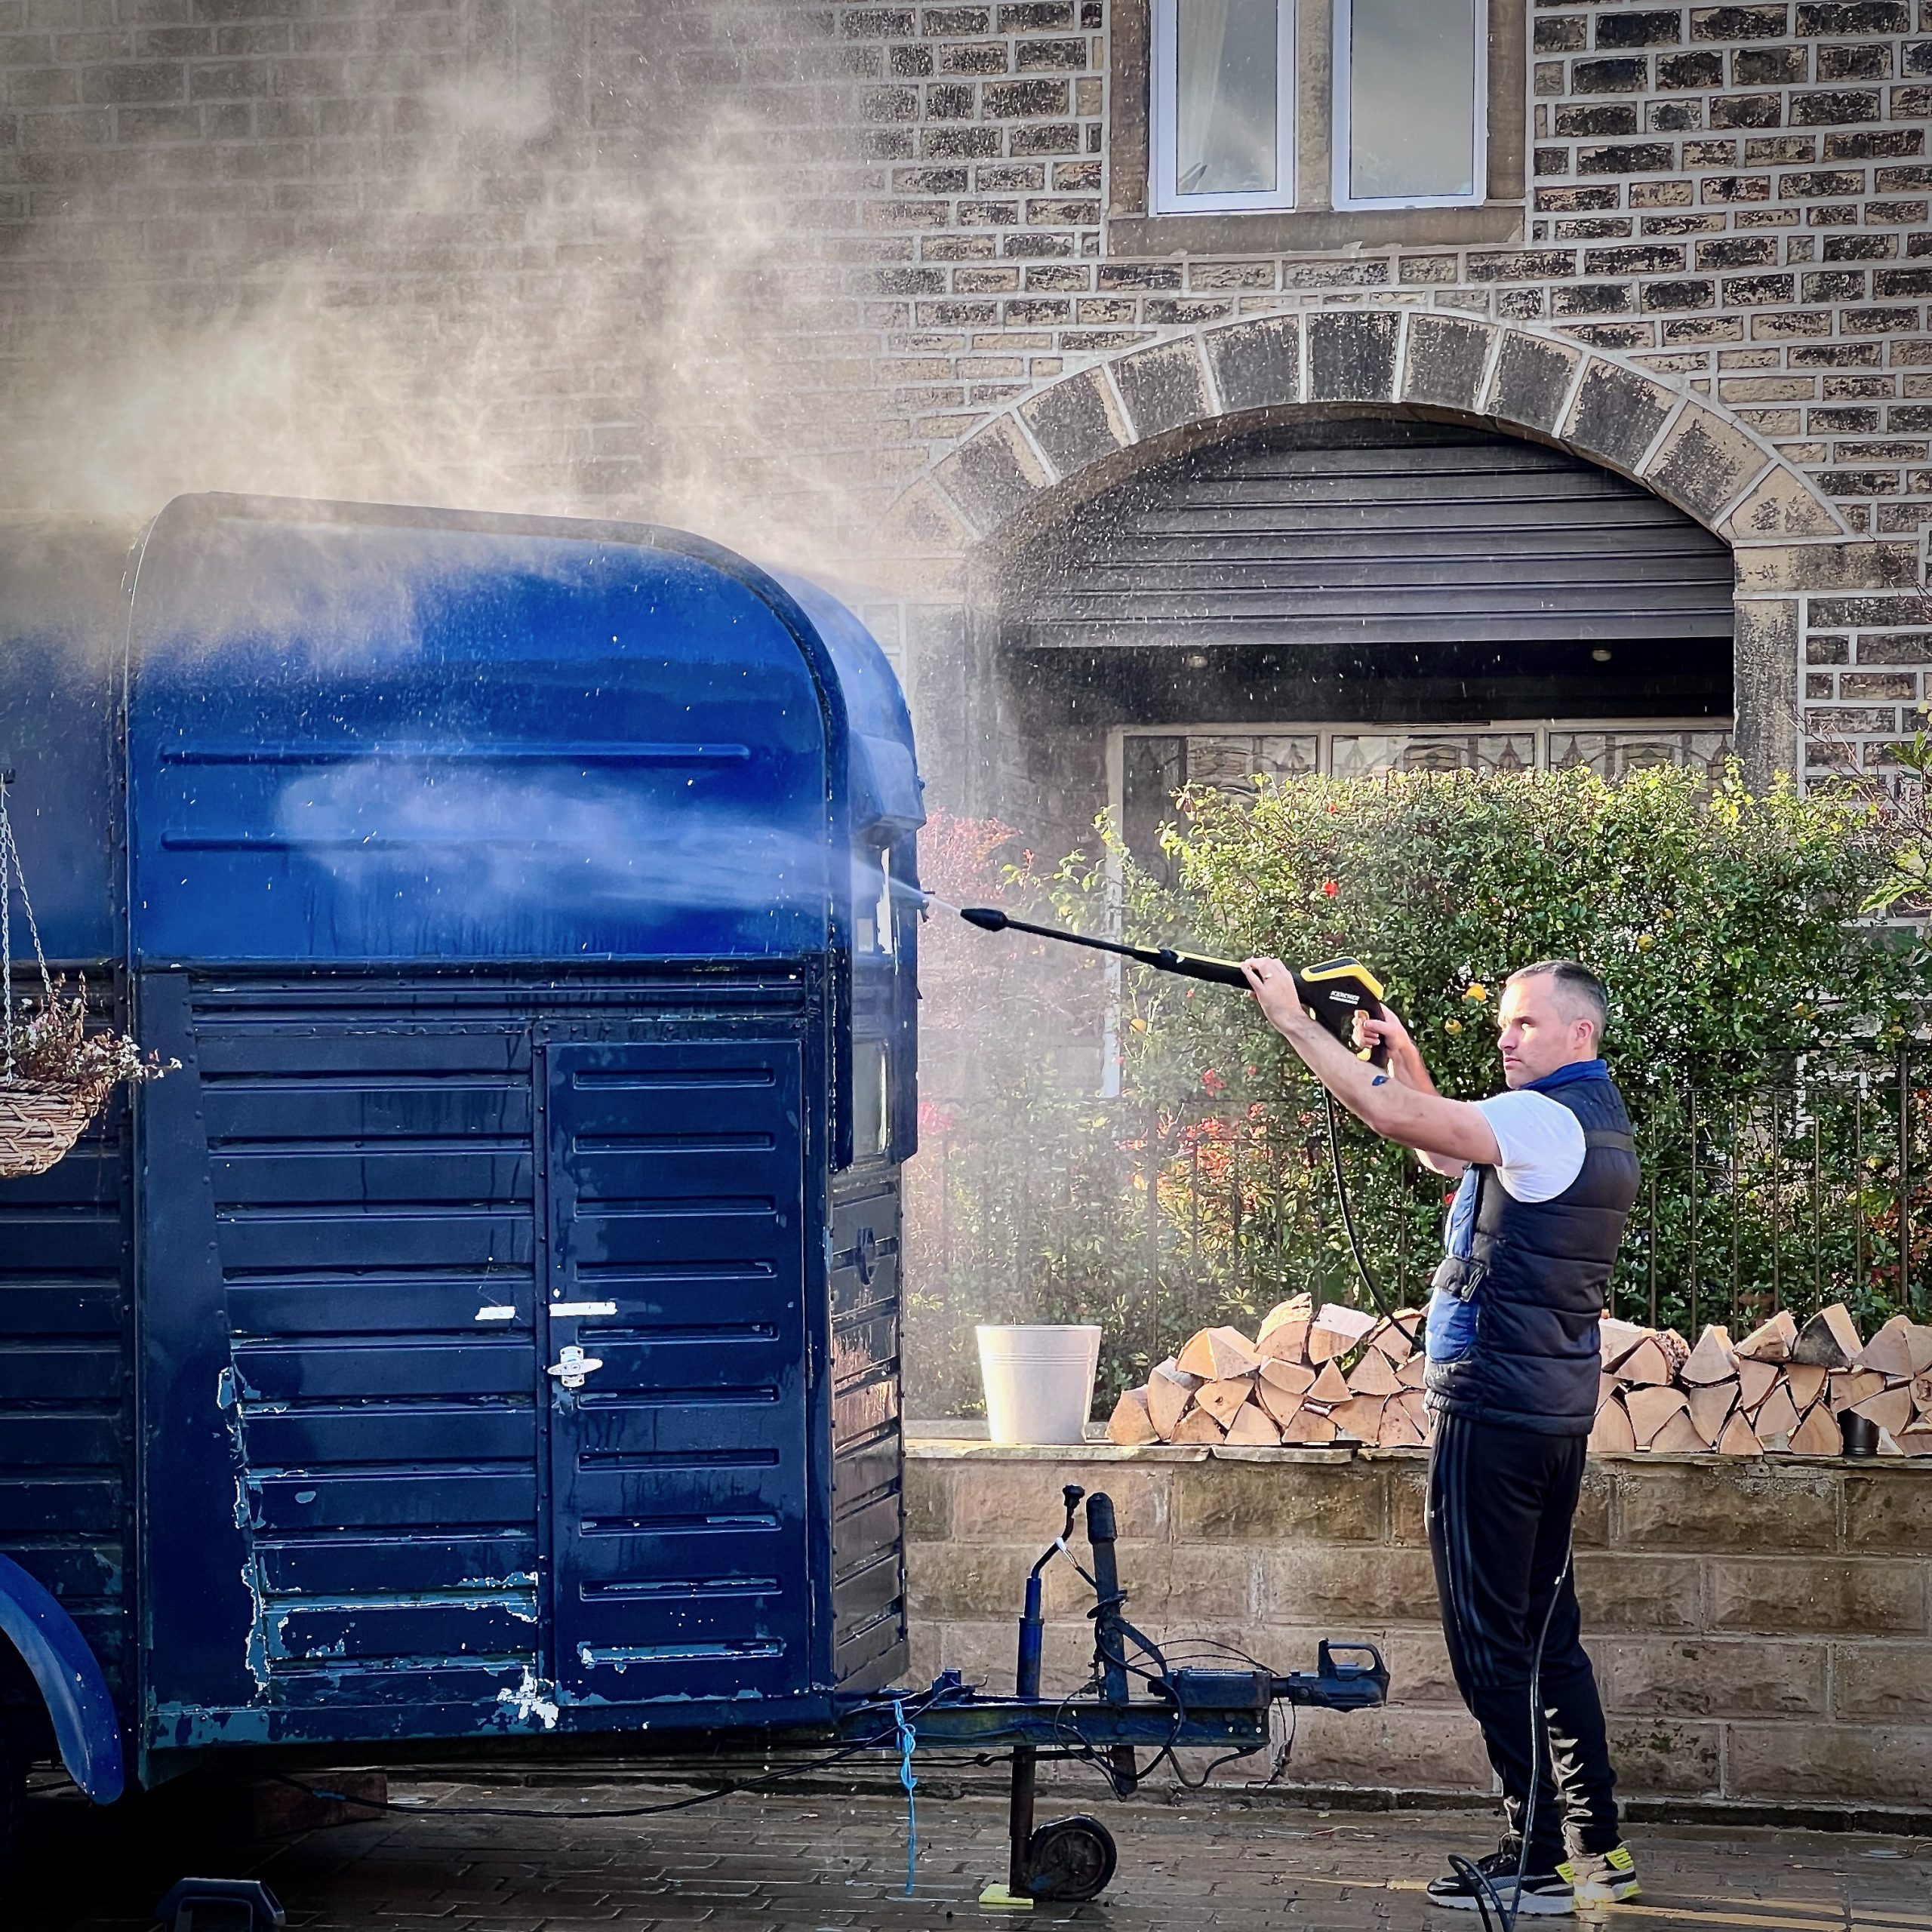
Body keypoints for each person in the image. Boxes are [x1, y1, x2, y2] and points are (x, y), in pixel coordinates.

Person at [1239, 955, 1642, 1916]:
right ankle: (1596, 1850)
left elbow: (1393, 1118)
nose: (1506, 1036)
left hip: (1492, 1414)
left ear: (1579, 1034)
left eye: (1525, 1023)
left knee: (1487, 1642)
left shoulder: (1541, 1119)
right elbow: (1445, 1151)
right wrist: (1404, 1053)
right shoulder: (1586, 1121)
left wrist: (1298, 1024)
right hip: (1546, 1415)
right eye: (1505, 1021)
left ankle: (1536, 1858)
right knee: (1547, 1639)